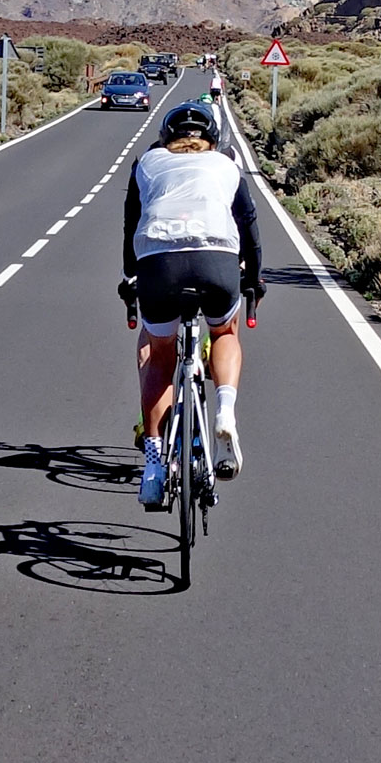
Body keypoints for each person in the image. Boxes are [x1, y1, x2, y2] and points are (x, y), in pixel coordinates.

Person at [119, 98, 260, 507]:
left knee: (160, 355)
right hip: (216, 260)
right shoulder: (226, 164)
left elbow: (131, 223)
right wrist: (254, 277)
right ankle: (225, 411)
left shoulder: (147, 163)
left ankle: (153, 468)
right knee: (225, 332)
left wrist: (130, 277)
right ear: (213, 139)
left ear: (165, 139)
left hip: (158, 263)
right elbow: (248, 223)